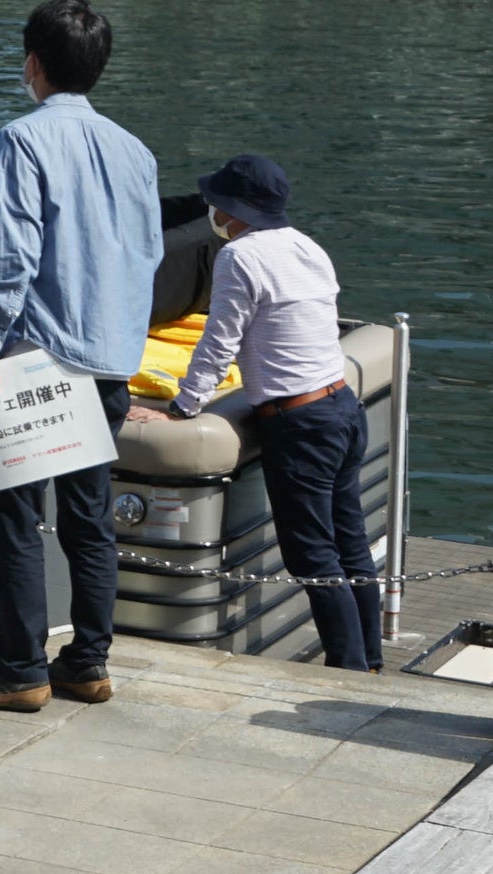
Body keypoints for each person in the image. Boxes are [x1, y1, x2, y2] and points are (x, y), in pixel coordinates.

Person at [0, 0, 163, 714]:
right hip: (107, 360)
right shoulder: (136, 151)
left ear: (32, 62)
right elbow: (148, 256)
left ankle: (19, 667)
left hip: (35, 356)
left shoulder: (22, 137)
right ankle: (87, 662)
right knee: (89, 519)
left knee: (13, 515)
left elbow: (15, 252)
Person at [133, 157, 379, 671]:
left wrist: (182, 409)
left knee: (313, 554)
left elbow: (219, 341)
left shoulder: (239, 256)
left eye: (216, 203)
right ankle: (371, 661)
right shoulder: (307, 246)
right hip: (341, 405)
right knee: (350, 543)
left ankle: (350, 671)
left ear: (232, 209)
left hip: (301, 422)